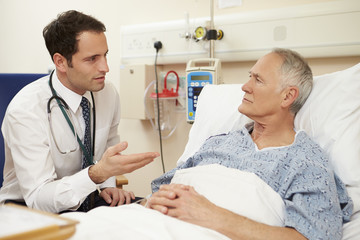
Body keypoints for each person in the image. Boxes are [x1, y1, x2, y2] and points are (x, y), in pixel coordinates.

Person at [147, 48, 353, 240]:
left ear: (288, 96)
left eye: (258, 80)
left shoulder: (307, 162)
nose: (245, 87)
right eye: (249, 77)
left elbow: (315, 236)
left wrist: (214, 216)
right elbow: (159, 191)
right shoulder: (218, 142)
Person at [0, 10, 159, 213]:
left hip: (88, 197)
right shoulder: (25, 111)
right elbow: (39, 198)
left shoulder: (107, 93)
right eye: (92, 59)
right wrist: (96, 175)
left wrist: (108, 185)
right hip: (29, 210)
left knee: (153, 211)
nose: (105, 67)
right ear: (60, 62)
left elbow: (108, 148)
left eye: (105, 55)